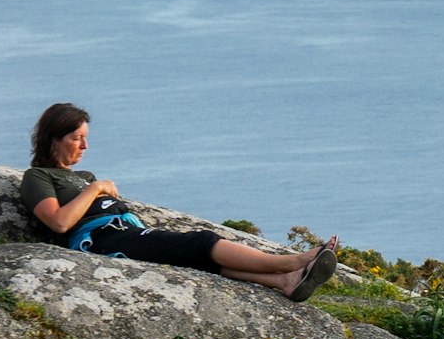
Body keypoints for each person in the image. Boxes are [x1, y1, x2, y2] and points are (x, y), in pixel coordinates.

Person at [18, 103, 341, 301]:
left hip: (126, 232)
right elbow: (58, 222)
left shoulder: (83, 174)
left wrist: (93, 185)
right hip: (103, 240)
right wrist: (96, 188)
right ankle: (289, 263)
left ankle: (285, 282)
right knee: (201, 242)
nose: (85, 146)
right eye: (76, 138)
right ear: (53, 139)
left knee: (196, 259)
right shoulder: (37, 177)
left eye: (85, 138)